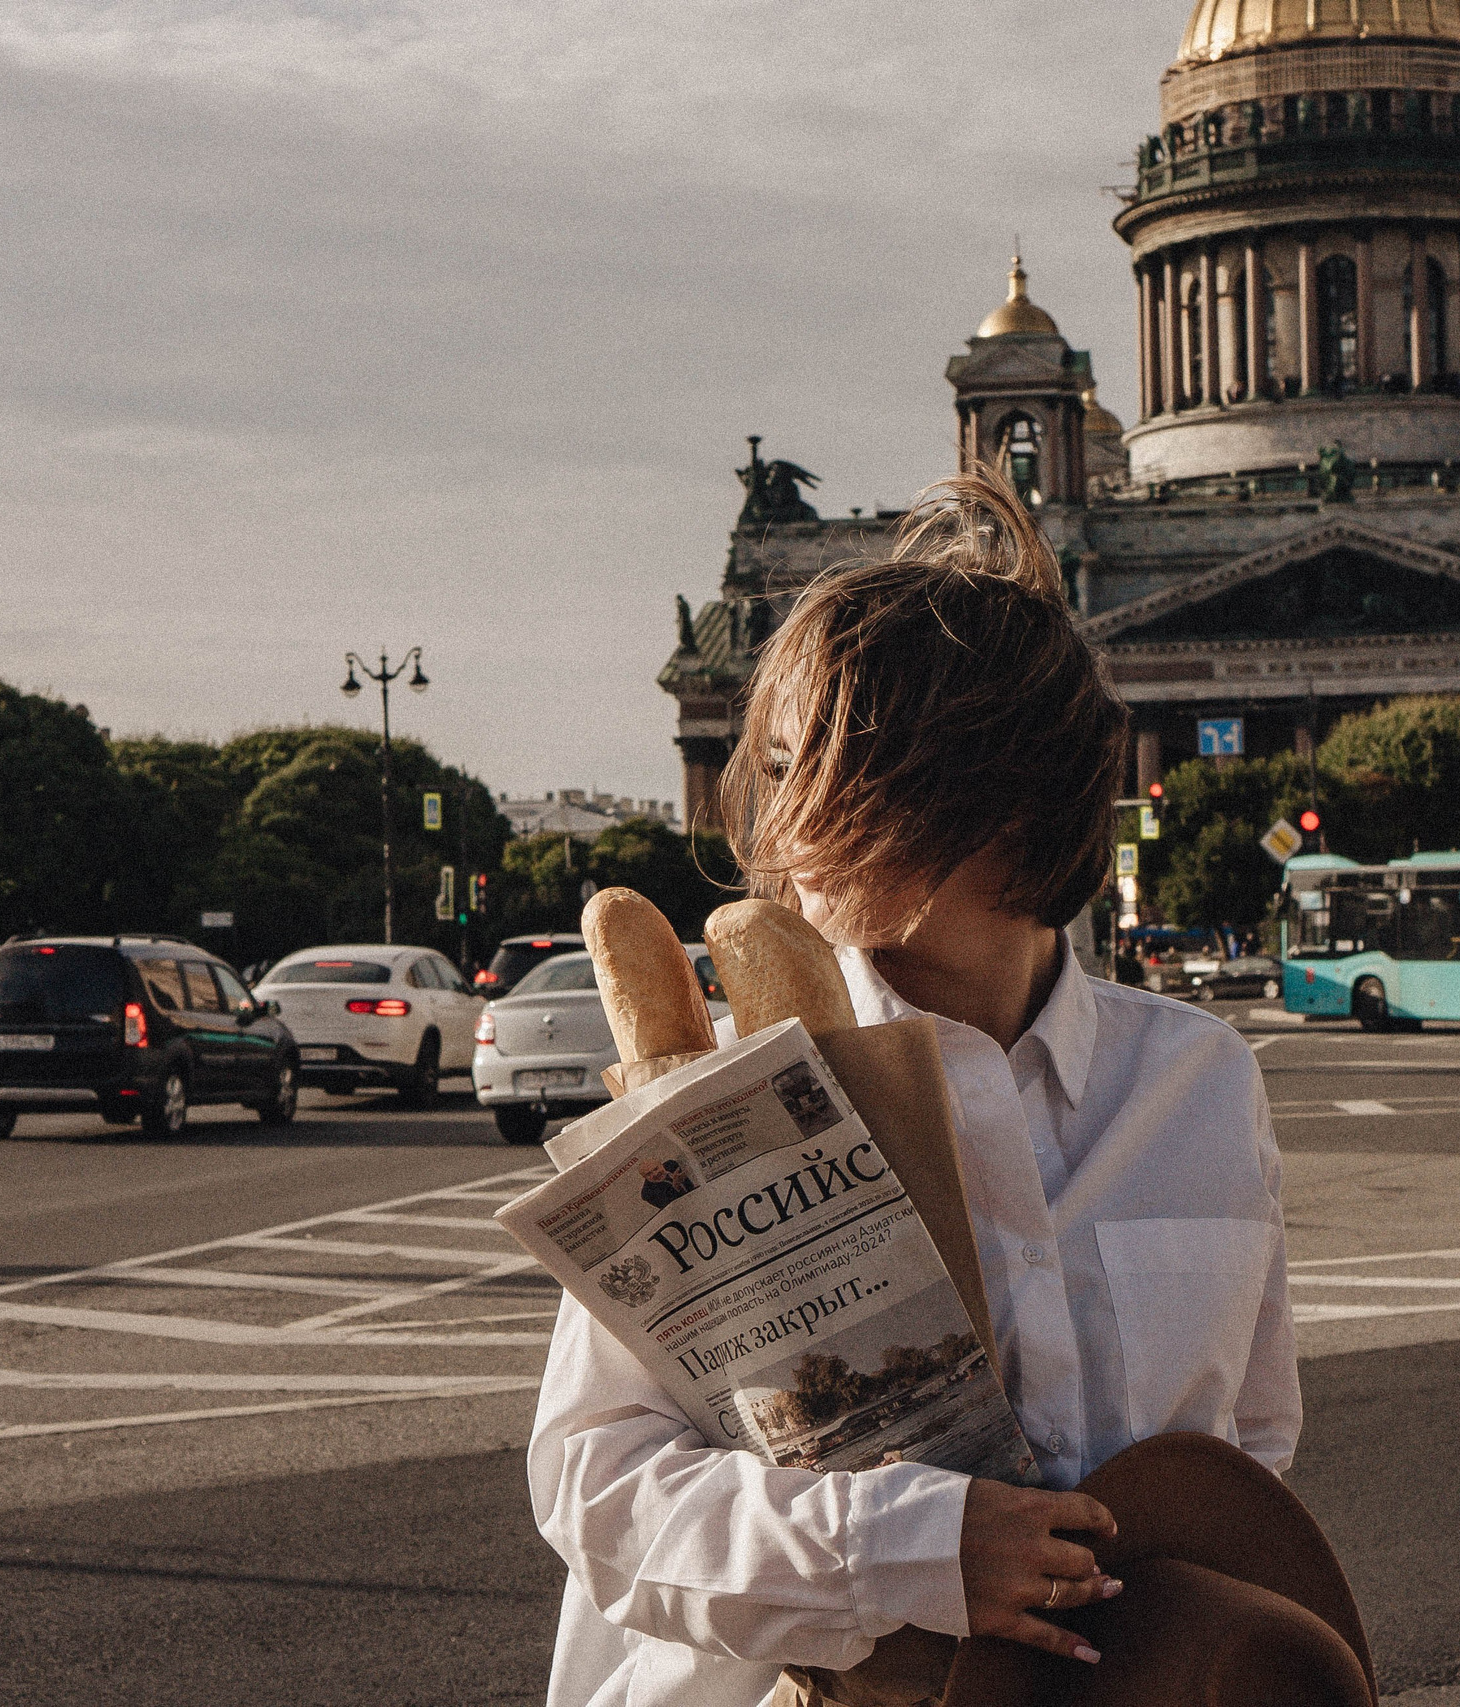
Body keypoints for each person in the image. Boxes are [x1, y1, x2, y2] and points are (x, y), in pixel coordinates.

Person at [530, 471, 1298, 1707]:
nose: (780, 824)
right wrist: (910, 1553)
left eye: (831, 770)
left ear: (1006, 797)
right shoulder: (723, 1097)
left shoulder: (1198, 1083)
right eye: (776, 767)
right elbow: (596, 1491)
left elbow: (1246, 1450)